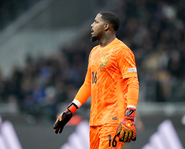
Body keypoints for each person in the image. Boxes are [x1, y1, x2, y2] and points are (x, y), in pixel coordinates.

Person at [53, 11, 139, 149]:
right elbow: (88, 84)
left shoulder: (121, 51)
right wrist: (70, 110)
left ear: (106, 26)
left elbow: (132, 82)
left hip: (113, 119)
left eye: (96, 22)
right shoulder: (94, 52)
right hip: (95, 121)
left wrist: (129, 116)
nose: (92, 25)